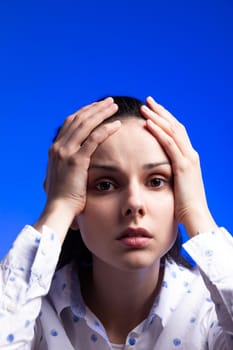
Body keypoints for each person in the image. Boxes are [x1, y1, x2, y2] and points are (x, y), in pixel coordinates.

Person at [0, 96, 232, 350]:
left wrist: (197, 211)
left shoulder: (209, 309)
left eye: (156, 181)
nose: (134, 203)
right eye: (105, 185)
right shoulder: (32, 312)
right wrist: (59, 208)